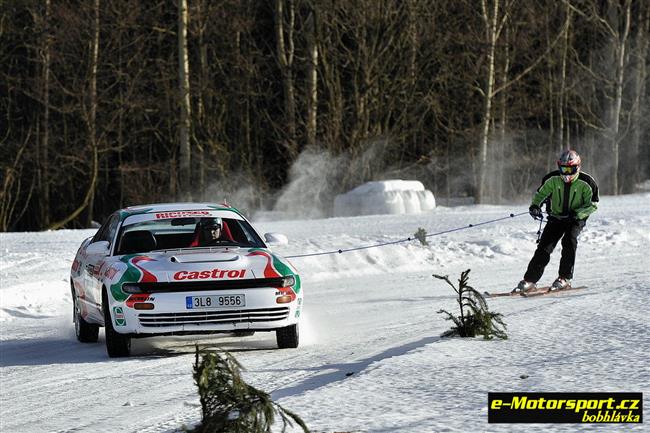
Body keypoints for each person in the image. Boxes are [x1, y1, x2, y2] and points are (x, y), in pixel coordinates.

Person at [516, 149, 599, 292]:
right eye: (563, 169)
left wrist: (577, 214)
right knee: (544, 247)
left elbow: (593, 205)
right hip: (556, 217)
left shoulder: (587, 182)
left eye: (570, 169)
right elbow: (541, 194)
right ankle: (530, 280)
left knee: (569, 240)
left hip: (575, 218)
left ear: (577, 167)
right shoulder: (552, 179)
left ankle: (565, 278)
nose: (566, 173)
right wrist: (535, 206)